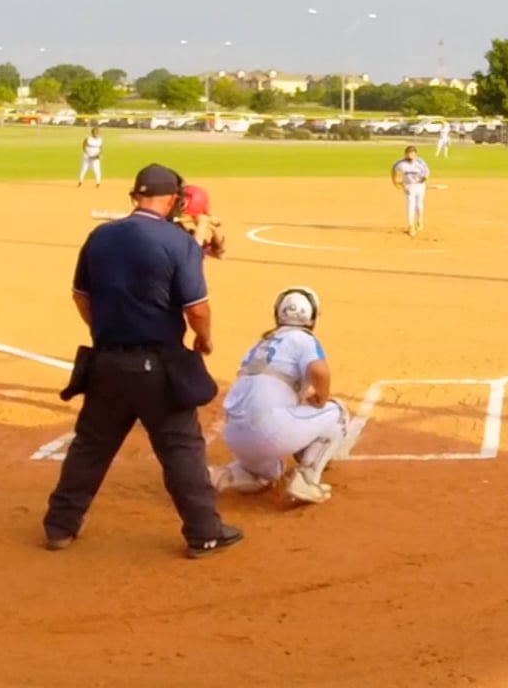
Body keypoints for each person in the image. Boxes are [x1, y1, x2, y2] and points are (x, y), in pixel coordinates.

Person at [42, 163, 242, 559]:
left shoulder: (100, 236)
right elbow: (197, 309)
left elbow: (81, 296)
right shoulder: (178, 242)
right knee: (181, 447)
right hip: (158, 366)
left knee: (90, 446)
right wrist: (204, 340)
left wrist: (105, 332)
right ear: (172, 200)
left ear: (136, 196)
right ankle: (204, 533)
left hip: (106, 363)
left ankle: (59, 526)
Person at [211, 287, 348, 506]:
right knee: (337, 411)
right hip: (269, 430)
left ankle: (222, 476)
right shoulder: (303, 338)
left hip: (234, 434)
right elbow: (319, 371)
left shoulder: (260, 343)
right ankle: (307, 479)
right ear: (312, 317)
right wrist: (322, 398)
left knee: (268, 474)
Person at [391, 145, 430, 237]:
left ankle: (419, 220)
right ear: (405, 154)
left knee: (419, 205)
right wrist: (395, 181)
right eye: (408, 153)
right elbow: (394, 170)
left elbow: (427, 173)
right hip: (408, 186)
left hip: (420, 186)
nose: (410, 155)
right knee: (410, 204)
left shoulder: (421, 162)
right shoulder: (400, 163)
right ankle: (410, 226)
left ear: (415, 154)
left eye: (412, 153)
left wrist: (424, 178)